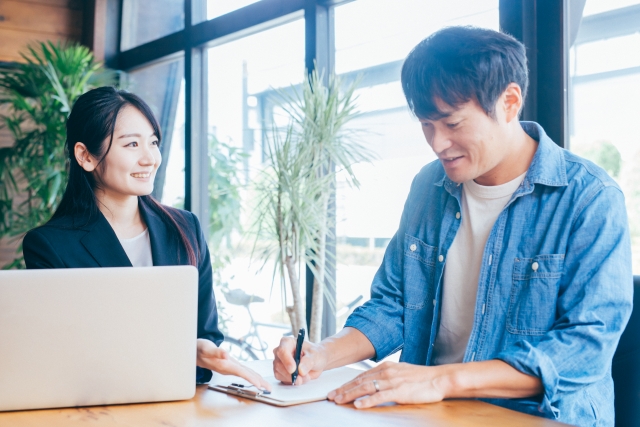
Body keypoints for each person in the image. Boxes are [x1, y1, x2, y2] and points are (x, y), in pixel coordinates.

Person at [272, 26, 633, 426]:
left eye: (452, 124)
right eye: (426, 124)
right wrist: (322, 354)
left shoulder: (590, 198)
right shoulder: (430, 185)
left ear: (510, 102)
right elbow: (393, 306)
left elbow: (585, 347)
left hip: (538, 417)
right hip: (432, 413)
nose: (437, 143)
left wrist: (441, 380)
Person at [23, 86, 270, 391]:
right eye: (132, 145)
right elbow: (63, 358)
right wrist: (178, 352)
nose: (150, 158)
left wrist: (202, 352)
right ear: (85, 156)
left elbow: (207, 334)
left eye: (153, 142)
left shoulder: (185, 228)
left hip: (181, 405)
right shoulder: (50, 245)